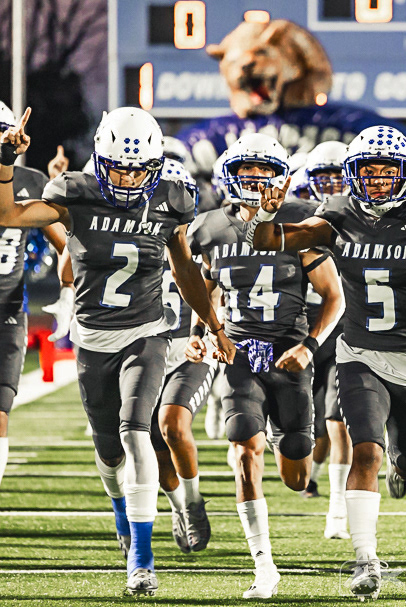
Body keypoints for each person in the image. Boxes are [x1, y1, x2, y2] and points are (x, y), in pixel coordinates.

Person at [0, 106, 235, 596]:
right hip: (92, 339)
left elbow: (185, 271)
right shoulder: (75, 192)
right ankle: (121, 512)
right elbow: (7, 215)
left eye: (138, 170)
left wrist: (214, 326)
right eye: (119, 169)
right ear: (100, 161)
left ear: (155, 167)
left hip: (146, 333)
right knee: (109, 454)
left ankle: (142, 561)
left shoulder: (170, 198)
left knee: (136, 433)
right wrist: (5, 161)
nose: (128, 179)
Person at [244, 125, 406, 599]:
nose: (376, 179)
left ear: (405, 174)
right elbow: (269, 242)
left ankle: (404, 466)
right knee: (366, 449)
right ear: (353, 174)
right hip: (359, 353)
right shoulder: (338, 214)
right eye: (367, 171)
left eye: (386, 171)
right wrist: (267, 211)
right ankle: (365, 558)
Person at [186, 132, 344, 599]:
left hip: (289, 353)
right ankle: (264, 565)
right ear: (228, 175)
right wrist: (200, 334)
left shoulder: (300, 221)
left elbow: (334, 296)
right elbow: (205, 290)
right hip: (238, 352)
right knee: (243, 446)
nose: (255, 180)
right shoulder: (211, 227)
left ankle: (281, 436)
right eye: (246, 171)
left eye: (264, 172)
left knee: (297, 476)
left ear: (282, 178)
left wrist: (310, 346)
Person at [0, 102, 72, 492]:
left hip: (8, 309)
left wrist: (69, 292)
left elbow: (66, 245)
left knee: (0, 415)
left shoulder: (28, 180)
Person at [149, 159, 216, 555]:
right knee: (154, 449)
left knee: (173, 425)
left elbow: (215, 289)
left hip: (191, 348)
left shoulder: (204, 233)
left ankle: (192, 503)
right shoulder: (132, 233)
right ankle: (178, 506)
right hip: (144, 351)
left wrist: (205, 332)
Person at [297, 141, 354, 541]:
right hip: (300, 330)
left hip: (345, 331)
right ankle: (312, 476)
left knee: (338, 420)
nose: (332, 184)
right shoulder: (295, 215)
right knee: (308, 426)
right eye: (324, 176)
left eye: (338, 176)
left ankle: (337, 508)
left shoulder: (361, 218)